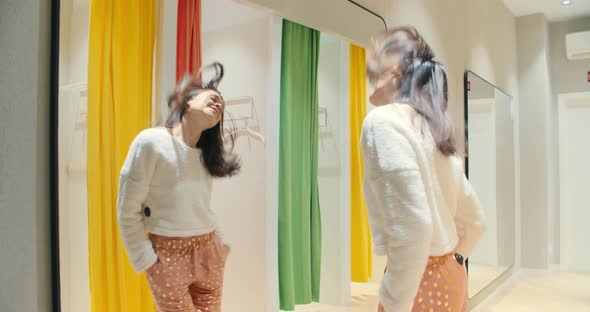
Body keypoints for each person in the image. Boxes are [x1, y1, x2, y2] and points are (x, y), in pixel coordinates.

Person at [360, 27, 487, 312]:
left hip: (420, 284)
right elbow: (476, 221)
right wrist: (456, 260)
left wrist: (393, 304)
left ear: (393, 71)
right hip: (452, 275)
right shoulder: (431, 128)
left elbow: (413, 228)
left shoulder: (383, 122)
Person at [117, 62, 240, 312]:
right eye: (213, 98)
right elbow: (127, 209)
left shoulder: (205, 155)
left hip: (209, 249)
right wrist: (148, 260)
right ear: (187, 101)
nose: (218, 106)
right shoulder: (151, 141)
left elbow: (201, 207)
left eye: (221, 107)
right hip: (167, 253)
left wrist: (221, 245)